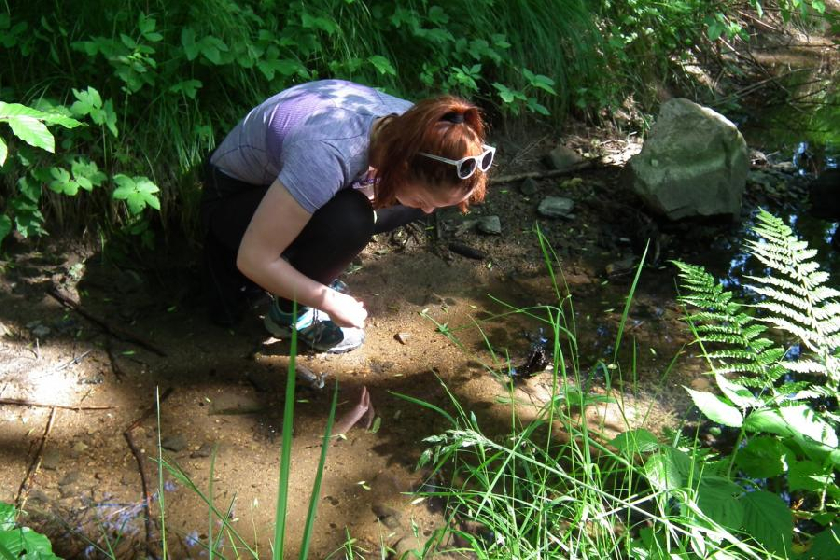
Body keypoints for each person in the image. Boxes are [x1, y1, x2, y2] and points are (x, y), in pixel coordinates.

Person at [200, 79, 494, 353]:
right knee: (350, 220)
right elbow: (253, 258)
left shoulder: (421, 130)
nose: (427, 211)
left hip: (287, 187)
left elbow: (412, 195)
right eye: (423, 199)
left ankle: (304, 267)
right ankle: (289, 312)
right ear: (402, 168)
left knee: (395, 208)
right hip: (232, 197)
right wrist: (329, 301)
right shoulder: (326, 156)